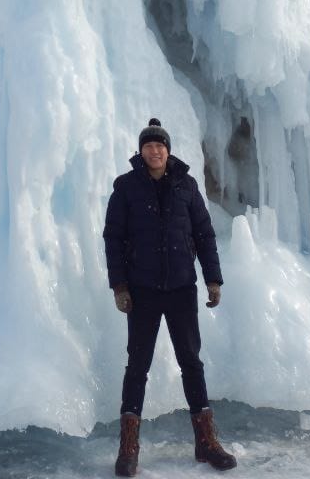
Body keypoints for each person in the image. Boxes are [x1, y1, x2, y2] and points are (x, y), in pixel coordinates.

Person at [103, 119, 236, 475]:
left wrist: (214, 280)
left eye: (160, 145)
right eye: (149, 145)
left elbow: (205, 235)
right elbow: (113, 238)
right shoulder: (127, 187)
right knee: (138, 366)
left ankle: (206, 443)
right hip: (143, 292)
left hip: (180, 289)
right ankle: (128, 448)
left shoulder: (187, 186)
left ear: (168, 149)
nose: (155, 150)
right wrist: (120, 286)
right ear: (141, 150)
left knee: (191, 362)